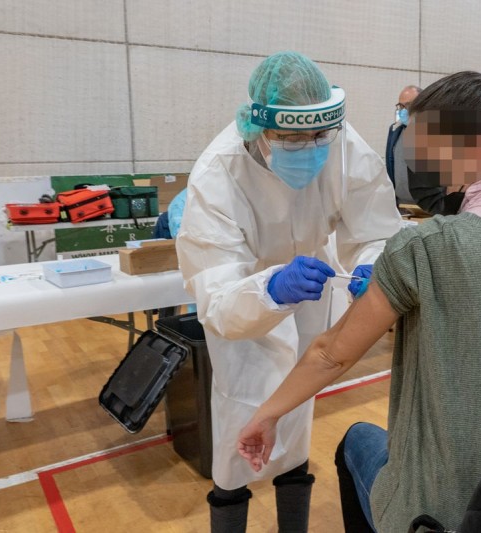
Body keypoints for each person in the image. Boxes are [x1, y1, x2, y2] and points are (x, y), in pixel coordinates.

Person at [237, 65, 481, 531]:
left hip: (447, 512)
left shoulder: (430, 246)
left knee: (356, 442)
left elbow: (331, 354)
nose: (413, 156)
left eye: (422, 140)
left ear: (471, 149)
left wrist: (265, 416)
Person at [176, 51, 402, 532]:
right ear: (258, 130)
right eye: (293, 138)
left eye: (319, 135)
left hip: (313, 299)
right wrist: (272, 288)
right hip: (245, 315)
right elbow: (215, 297)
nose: (311, 148)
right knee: (238, 440)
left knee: (297, 426)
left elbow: (377, 228)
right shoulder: (218, 173)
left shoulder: (341, 142)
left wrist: (371, 267)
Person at [385, 85, 421, 209]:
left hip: (427, 207)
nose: (404, 110)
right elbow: (390, 165)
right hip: (401, 206)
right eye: (401, 106)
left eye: (408, 105)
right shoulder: (395, 131)